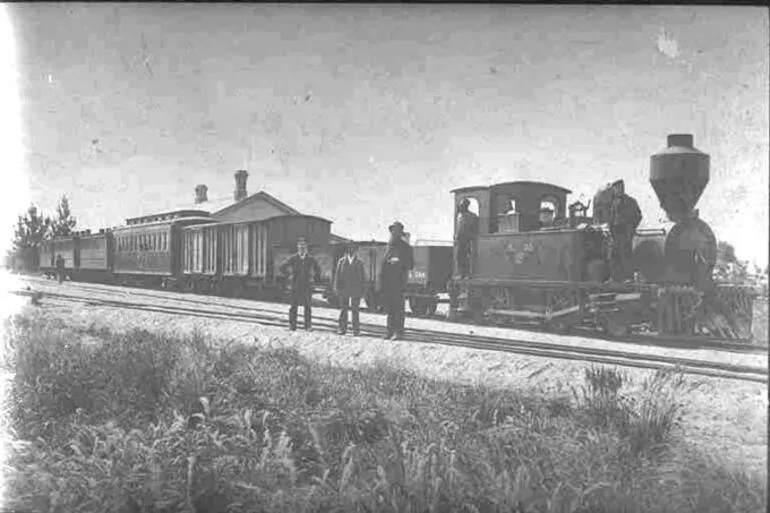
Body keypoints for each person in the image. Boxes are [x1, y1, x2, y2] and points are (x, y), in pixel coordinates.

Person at [379, 221, 414, 340]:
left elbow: (411, 265)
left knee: (398, 308)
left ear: (400, 233)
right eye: (392, 231)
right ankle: (389, 331)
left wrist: (399, 262)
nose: (394, 233)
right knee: (389, 308)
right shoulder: (388, 247)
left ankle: (399, 332)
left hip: (399, 282)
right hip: (388, 282)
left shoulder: (406, 248)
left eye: (397, 231)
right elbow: (383, 265)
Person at [279, 237, 321, 331]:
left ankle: (307, 326)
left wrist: (314, 279)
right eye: (300, 246)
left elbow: (318, 269)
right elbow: (282, 267)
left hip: (307, 285)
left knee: (307, 307)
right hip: (295, 285)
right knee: (294, 306)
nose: (302, 248)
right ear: (297, 247)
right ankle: (292, 326)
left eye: (304, 246)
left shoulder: (310, 259)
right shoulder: (293, 258)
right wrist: (289, 275)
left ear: (306, 248)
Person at [609, 179, 643, 282]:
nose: (617, 190)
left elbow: (638, 216)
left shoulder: (631, 201)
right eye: (615, 189)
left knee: (626, 253)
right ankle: (615, 278)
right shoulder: (614, 202)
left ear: (623, 188)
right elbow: (611, 218)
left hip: (626, 232)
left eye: (619, 188)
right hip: (616, 232)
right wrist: (611, 230)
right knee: (614, 254)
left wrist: (631, 228)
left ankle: (629, 277)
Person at [334, 242, 366, 335]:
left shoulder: (359, 263)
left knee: (355, 310)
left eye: (353, 248)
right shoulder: (341, 261)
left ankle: (356, 330)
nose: (351, 250)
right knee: (343, 309)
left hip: (356, 289)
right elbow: (337, 275)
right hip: (344, 288)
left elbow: (363, 278)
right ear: (347, 250)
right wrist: (336, 288)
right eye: (349, 248)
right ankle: (342, 328)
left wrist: (362, 290)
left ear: (355, 250)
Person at [454, 198, 479, 278]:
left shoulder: (472, 216)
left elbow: (475, 228)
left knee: (468, 257)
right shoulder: (460, 216)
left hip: (469, 239)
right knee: (459, 257)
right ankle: (461, 273)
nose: (461, 207)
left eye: (462, 206)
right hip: (460, 240)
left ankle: (468, 273)